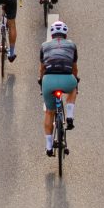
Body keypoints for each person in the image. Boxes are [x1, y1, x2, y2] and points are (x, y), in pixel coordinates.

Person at [38, 20, 78, 156]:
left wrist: (40, 80)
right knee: (74, 89)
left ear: (52, 34)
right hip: (67, 79)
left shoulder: (44, 46)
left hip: (49, 81)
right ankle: (70, 116)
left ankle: (49, 147)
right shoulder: (72, 45)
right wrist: (75, 79)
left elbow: (42, 68)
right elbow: (74, 68)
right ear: (65, 34)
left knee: (49, 112)